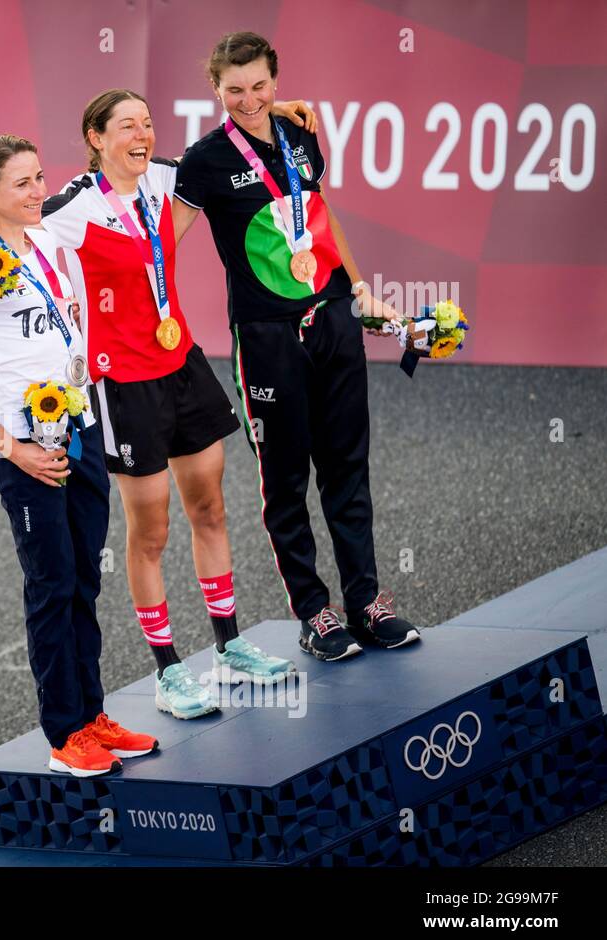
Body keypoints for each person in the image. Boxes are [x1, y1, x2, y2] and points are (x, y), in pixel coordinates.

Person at [0, 93, 314, 719]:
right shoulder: (70, 205)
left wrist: (277, 108)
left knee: (211, 507)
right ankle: (167, 671)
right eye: (126, 126)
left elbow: (233, 144)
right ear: (95, 137)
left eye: (147, 124)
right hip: (119, 381)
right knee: (152, 530)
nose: (141, 134)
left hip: (181, 362)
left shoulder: (170, 177)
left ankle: (229, 645)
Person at [170, 31, 423, 662]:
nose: (249, 99)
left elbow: (318, 211)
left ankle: (366, 602)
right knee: (285, 477)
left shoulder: (300, 133)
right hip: (265, 333)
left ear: (275, 80)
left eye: (260, 86)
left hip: (332, 313)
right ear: (214, 88)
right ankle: (315, 613)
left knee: (346, 463)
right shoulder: (202, 161)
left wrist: (359, 288)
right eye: (234, 90)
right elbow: (160, 240)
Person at [0, 134, 158, 776]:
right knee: (51, 584)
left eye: (39, 178)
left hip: (81, 429)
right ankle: (65, 736)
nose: (38, 192)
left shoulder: (52, 241)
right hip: (24, 447)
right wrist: (17, 453)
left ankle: (92, 715)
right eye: (21, 184)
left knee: (86, 580)